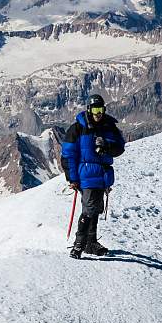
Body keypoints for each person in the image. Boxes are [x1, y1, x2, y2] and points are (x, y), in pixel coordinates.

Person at [60, 94, 126, 259]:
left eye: (101, 109)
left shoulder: (108, 127)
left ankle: (91, 243)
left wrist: (107, 146)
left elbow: (120, 147)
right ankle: (79, 244)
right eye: (95, 109)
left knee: (95, 209)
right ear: (89, 110)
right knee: (89, 210)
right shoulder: (78, 129)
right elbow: (68, 155)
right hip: (86, 176)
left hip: (102, 176)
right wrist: (72, 178)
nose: (98, 113)